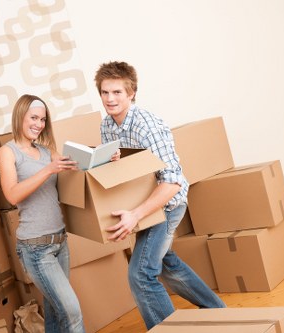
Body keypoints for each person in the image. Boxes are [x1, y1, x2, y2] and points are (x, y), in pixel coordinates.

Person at [94, 61, 226, 329]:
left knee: (141, 273)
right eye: (105, 92)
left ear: (131, 93)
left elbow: (173, 182)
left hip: (165, 205)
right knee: (166, 263)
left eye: (117, 92)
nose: (110, 99)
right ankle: (219, 312)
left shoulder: (147, 126)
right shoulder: (107, 126)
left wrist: (135, 215)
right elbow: (127, 171)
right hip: (142, 202)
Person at [0, 94, 85, 333]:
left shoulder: (47, 151)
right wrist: (48, 170)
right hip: (36, 248)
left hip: (60, 241)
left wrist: (107, 157)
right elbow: (12, 195)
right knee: (72, 312)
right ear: (20, 117)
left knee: (57, 312)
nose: (38, 124)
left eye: (43, 119)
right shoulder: (8, 152)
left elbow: (79, 164)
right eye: (33, 118)